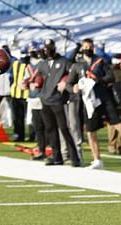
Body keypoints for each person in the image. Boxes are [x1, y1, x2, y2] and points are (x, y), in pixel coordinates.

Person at [66, 38, 121, 169]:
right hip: (89, 102)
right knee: (90, 131)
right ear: (81, 48)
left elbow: (110, 76)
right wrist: (73, 88)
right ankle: (97, 159)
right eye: (85, 47)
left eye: (90, 47)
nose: (88, 49)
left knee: (119, 124)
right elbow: (70, 83)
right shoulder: (77, 65)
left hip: (103, 98)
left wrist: (97, 80)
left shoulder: (100, 61)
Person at [37, 38, 80, 167]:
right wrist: (29, 83)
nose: (47, 51)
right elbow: (38, 77)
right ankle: (57, 157)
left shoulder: (63, 61)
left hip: (58, 100)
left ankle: (74, 158)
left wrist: (66, 81)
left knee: (64, 129)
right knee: (50, 129)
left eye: (49, 48)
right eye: (45, 48)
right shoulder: (43, 64)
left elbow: (73, 72)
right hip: (45, 99)